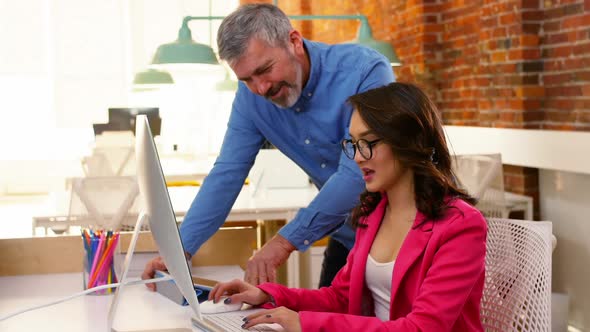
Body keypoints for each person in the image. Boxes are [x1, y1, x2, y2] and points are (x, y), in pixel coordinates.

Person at [142, 3, 395, 288]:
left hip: (407, 238)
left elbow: (355, 174)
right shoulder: (250, 100)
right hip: (350, 237)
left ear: (294, 42)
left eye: (265, 70)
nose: (261, 88)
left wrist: (283, 242)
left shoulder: (365, 71)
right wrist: (179, 251)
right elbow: (228, 172)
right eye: (247, 79)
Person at [208, 82, 488, 331]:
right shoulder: (373, 214)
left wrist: (306, 323)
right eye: (352, 144)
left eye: (366, 143)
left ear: (408, 142)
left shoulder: (461, 225)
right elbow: (340, 297)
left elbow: (423, 327)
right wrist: (269, 296)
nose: (356, 157)